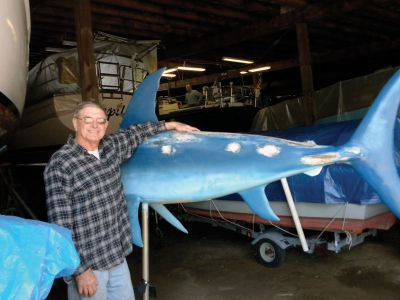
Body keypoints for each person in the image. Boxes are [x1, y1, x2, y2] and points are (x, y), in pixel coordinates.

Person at [44, 101, 199, 300]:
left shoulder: (110, 148)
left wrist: (171, 125)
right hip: (89, 265)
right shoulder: (61, 163)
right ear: (76, 123)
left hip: (116, 257)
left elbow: (136, 132)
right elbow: (60, 225)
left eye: (100, 121)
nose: (95, 126)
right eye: (88, 120)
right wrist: (80, 271)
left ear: (106, 125)